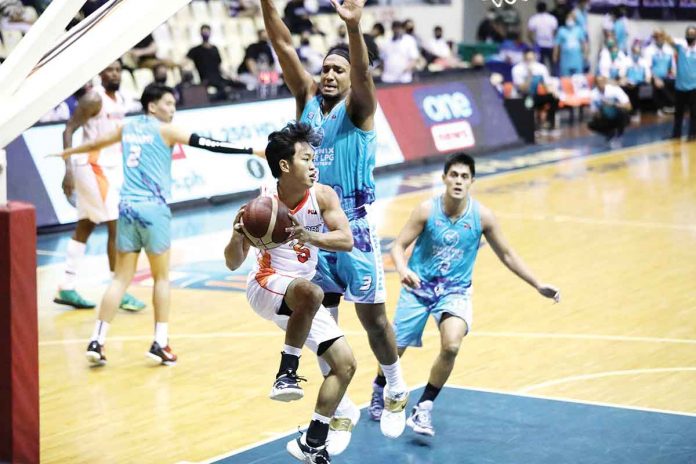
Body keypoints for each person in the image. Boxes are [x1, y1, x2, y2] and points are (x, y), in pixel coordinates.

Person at [260, 0, 410, 440]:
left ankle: (396, 385)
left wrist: (354, 27)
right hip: (313, 229)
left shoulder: (359, 107)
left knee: (375, 321)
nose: (329, 75)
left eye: (337, 70)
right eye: (325, 68)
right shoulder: (306, 99)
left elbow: (363, 74)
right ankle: (342, 405)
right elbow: (282, 42)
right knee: (324, 324)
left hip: (355, 230)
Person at [54, 84, 254, 366]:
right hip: (153, 210)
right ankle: (160, 342)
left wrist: (67, 153)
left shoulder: (128, 128)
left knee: (120, 279)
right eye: (168, 103)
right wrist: (252, 150)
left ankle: (97, 340)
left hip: (126, 208)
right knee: (161, 278)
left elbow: (95, 144)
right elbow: (208, 143)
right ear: (152, 106)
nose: (172, 109)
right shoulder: (167, 131)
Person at [374, 152, 560, 437]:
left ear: (472, 181)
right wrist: (402, 270)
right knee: (394, 349)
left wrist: (537, 284)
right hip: (418, 288)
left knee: (451, 345)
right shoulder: (426, 210)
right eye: (454, 175)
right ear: (444, 178)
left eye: (464, 176)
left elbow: (507, 255)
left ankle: (424, 406)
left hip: (455, 291)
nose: (458, 181)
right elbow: (397, 246)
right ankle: (379, 388)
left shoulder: (482, 216)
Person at [224, 122, 357, 461]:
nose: (314, 166)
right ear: (285, 166)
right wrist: (236, 236)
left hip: (300, 301)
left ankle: (312, 443)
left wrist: (311, 236)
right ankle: (286, 373)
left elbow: (346, 239)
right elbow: (232, 263)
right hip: (266, 286)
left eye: (314, 159)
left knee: (345, 365)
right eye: (306, 159)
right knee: (312, 293)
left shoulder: (323, 195)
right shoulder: (262, 201)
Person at [56, 61, 146, 311]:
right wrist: (67, 169)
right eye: (109, 70)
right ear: (100, 73)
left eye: (117, 70)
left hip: (109, 166)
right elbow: (68, 130)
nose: (114, 74)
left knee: (85, 226)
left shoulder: (120, 99)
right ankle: (119, 292)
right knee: (116, 226)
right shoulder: (93, 99)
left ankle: (66, 285)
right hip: (92, 166)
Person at [512, 50, 559, 134]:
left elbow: (547, 84)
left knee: (554, 98)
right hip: (522, 97)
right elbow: (523, 89)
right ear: (524, 58)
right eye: (528, 59)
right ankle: (533, 127)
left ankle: (549, 124)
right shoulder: (517, 69)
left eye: (532, 59)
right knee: (529, 101)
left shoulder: (541, 68)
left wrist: (553, 92)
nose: (530, 61)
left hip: (535, 96)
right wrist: (529, 75)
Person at [663, 28, 696, 140]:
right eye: (688, 34)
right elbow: (669, 40)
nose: (690, 36)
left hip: (694, 86)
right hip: (680, 86)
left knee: (694, 112)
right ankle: (676, 134)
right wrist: (662, 32)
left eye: (692, 34)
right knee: (678, 113)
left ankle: (693, 134)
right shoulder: (681, 48)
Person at [588, 75, 632, 148]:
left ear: (605, 82)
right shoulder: (593, 94)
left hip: (618, 114)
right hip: (606, 117)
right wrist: (598, 111)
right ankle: (609, 133)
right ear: (595, 84)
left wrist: (613, 104)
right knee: (591, 124)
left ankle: (620, 132)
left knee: (623, 112)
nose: (600, 84)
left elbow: (629, 106)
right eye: (598, 83)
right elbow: (593, 111)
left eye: (602, 82)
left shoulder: (615, 90)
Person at [645, 30, 675, 116]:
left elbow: (672, 67)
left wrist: (675, 74)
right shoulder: (649, 50)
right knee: (658, 84)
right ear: (654, 38)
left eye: (661, 36)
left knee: (675, 82)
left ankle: (670, 106)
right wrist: (655, 78)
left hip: (666, 76)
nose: (659, 39)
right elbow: (648, 67)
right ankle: (664, 106)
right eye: (657, 37)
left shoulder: (669, 50)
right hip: (653, 76)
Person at [553, 10, 587, 77]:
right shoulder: (561, 30)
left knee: (578, 78)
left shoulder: (578, 30)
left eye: (571, 19)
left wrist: (585, 54)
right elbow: (556, 44)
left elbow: (584, 43)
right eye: (568, 19)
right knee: (566, 78)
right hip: (565, 59)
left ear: (574, 20)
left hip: (577, 58)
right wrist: (555, 55)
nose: (569, 20)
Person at [527, 1, 558, 71]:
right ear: (546, 8)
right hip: (550, 44)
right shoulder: (552, 18)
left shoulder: (534, 19)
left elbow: (529, 34)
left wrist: (534, 42)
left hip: (539, 45)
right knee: (552, 65)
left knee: (540, 67)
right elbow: (555, 33)